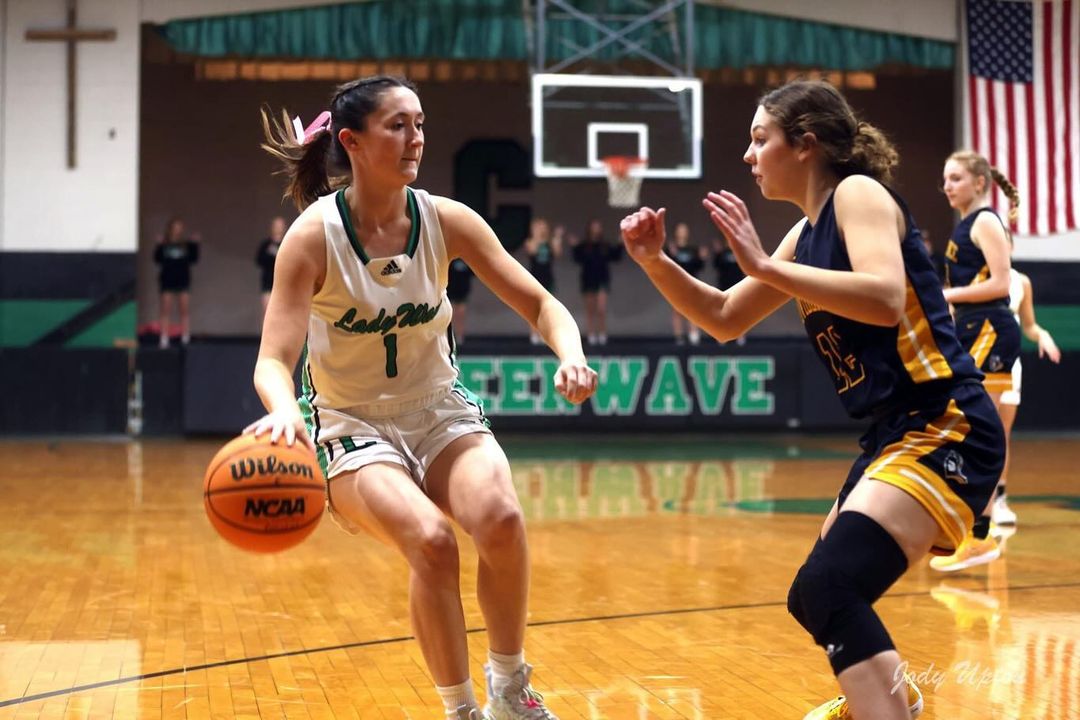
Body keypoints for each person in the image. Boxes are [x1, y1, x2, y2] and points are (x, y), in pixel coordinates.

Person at [619, 80, 1002, 720]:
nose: (748, 155)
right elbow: (723, 317)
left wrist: (765, 267)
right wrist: (655, 262)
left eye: (759, 138)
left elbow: (884, 298)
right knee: (811, 594)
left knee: (832, 585)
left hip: (944, 421)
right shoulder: (804, 234)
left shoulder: (858, 194)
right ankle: (896, 699)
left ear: (806, 144)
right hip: (892, 432)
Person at [249, 76, 597, 720]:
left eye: (420, 124)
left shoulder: (446, 219)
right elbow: (273, 360)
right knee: (433, 542)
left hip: (439, 409)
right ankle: (460, 709)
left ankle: (510, 689)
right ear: (352, 142)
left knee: (502, 519)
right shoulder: (312, 236)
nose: (416, 139)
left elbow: (542, 305)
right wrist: (283, 410)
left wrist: (571, 355)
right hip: (349, 424)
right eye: (398, 125)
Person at [929, 151, 1021, 573]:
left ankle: (979, 535)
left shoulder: (985, 222)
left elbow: (1001, 284)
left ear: (979, 183)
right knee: (965, 426)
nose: (947, 186)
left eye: (955, 178)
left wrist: (945, 296)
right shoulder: (965, 226)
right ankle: (967, 528)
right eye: (945, 179)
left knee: (979, 429)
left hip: (990, 328)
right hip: (970, 328)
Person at [991, 265, 1061, 528]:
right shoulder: (970, 274)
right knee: (973, 432)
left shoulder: (1021, 282)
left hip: (1008, 365)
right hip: (975, 360)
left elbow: (1029, 326)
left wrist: (1042, 334)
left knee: (1001, 435)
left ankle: (999, 500)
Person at [570, 219, 621, 345]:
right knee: (590, 309)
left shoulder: (605, 246)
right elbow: (577, 258)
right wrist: (574, 247)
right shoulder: (584, 246)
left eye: (598, 227)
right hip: (588, 279)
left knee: (601, 308)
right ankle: (591, 334)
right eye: (594, 227)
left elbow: (615, 256)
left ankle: (602, 333)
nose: (596, 230)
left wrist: (621, 244)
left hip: (602, 279)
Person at [153, 216, 200, 348]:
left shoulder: (186, 245)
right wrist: (159, 245)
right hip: (167, 279)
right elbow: (157, 259)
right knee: (165, 310)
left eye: (180, 228)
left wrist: (195, 244)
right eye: (175, 228)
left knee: (184, 309)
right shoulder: (165, 244)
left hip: (182, 279)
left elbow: (194, 259)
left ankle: (185, 337)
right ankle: (164, 337)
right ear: (170, 229)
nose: (177, 230)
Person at [664, 222, 707, 345]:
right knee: (677, 310)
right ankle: (679, 336)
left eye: (684, 230)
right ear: (676, 232)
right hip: (676, 284)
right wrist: (672, 255)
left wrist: (702, 258)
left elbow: (699, 266)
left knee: (693, 310)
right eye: (680, 230)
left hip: (691, 283)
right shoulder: (671, 249)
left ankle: (693, 334)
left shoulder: (693, 250)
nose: (682, 232)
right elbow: (666, 267)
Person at [523, 218, 563, 344]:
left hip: (547, 278)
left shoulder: (549, 243)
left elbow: (557, 253)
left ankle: (544, 334)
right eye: (538, 227)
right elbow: (532, 250)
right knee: (533, 308)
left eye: (543, 227)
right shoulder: (530, 241)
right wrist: (536, 235)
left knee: (548, 309)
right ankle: (533, 333)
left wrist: (557, 237)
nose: (541, 229)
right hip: (535, 278)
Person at [256, 216, 288, 314]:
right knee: (268, 312)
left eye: (281, 226)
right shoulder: (266, 245)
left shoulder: (287, 244)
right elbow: (259, 260)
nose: (279, 228)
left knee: (283, 313)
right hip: (268, 285)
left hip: (284, 285)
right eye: (277, 226)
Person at [446, 257, 473, 346]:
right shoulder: (451, 260)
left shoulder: (466, 260)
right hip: (450, 291)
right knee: (449, 315)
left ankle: (459, 336)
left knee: (460, 314)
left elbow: (472, 273)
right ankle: (449, 336)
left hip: (462, 292)